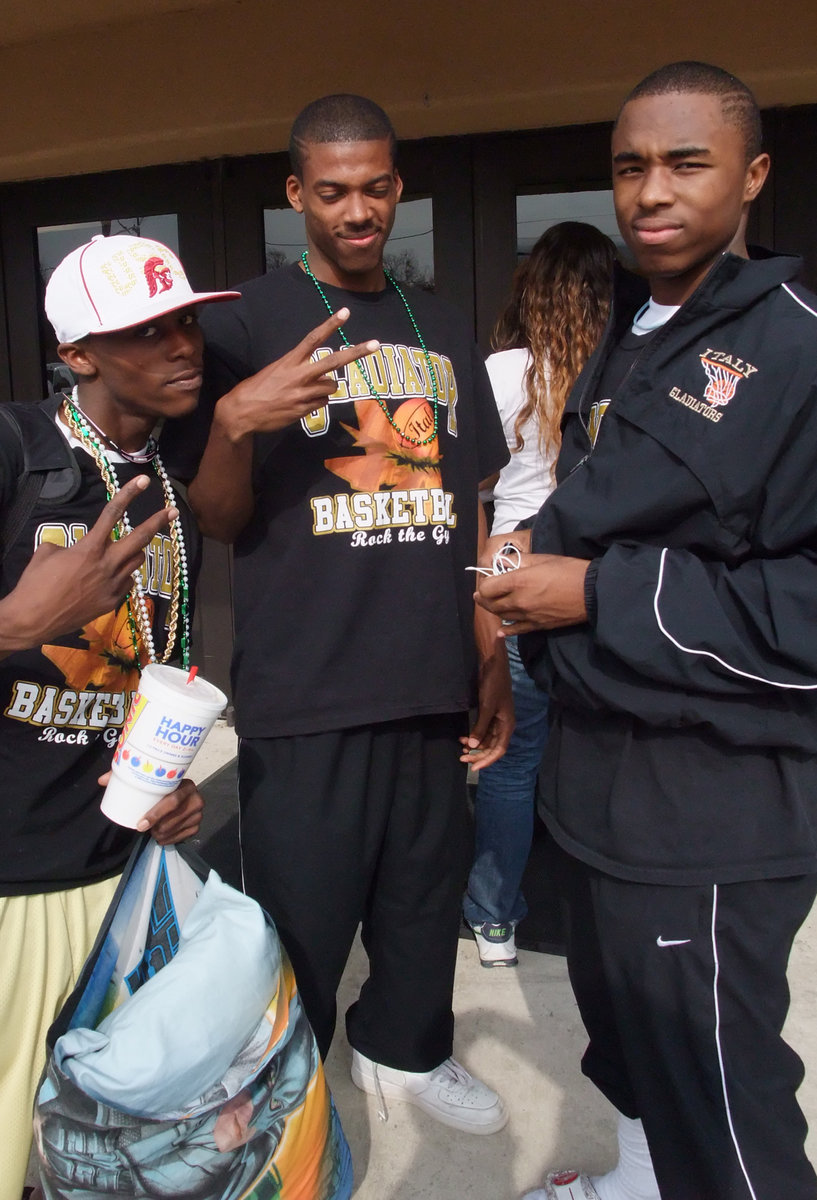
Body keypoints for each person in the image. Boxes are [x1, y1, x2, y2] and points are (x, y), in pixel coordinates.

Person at [476, 61, 817, 1199]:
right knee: (633, 1054)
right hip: (603, 784)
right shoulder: (632, 327)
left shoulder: (795, 348)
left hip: (713, 810)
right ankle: (632, 1180)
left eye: (684, 163)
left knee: (723, 1109)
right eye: (629, 167)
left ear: (752, 175)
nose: (649, 192)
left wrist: (595, 594)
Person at [166, 93, 513, 1135]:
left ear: (396, 190)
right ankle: (283, 1089)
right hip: (307, 682)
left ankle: (404, 1053)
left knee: (420, 898)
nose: (355, 211)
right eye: (331, 192)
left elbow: (473, 504)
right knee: (300, 921)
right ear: (294, 195)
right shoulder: (241, 325)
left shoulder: (437, 318)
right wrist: (233, 419)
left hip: (426, 670)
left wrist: (486, 652)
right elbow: (218, 516)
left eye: (373, 189)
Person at [0, 232, 239, 1200]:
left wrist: (164, 786)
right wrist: (19, 619)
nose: (182, 344)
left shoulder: (166, 487)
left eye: (185, 319)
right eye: (145, 329)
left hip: (107, 883)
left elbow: (132, 667)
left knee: (74, 1157)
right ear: (79, 354)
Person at [465, 222, 616, 968]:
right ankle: (602, 911)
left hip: (516, 570)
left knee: (511, 757)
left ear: (532, 289)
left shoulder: (501, 372)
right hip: (595, 578)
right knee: (597, 749)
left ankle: (493, 919)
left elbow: (467, 483)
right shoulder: (625, 367)